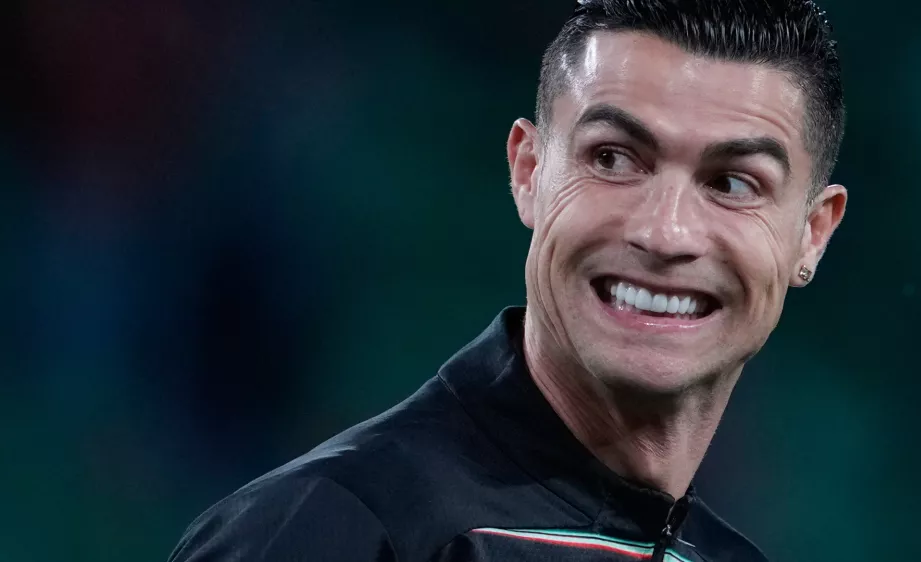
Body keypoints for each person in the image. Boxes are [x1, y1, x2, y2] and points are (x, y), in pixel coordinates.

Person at [168, 0, 848, 560]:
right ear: (527, 171)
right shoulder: (329, 531)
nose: (666, 233)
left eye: (732, 183)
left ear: (811, 234)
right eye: (613, 158)